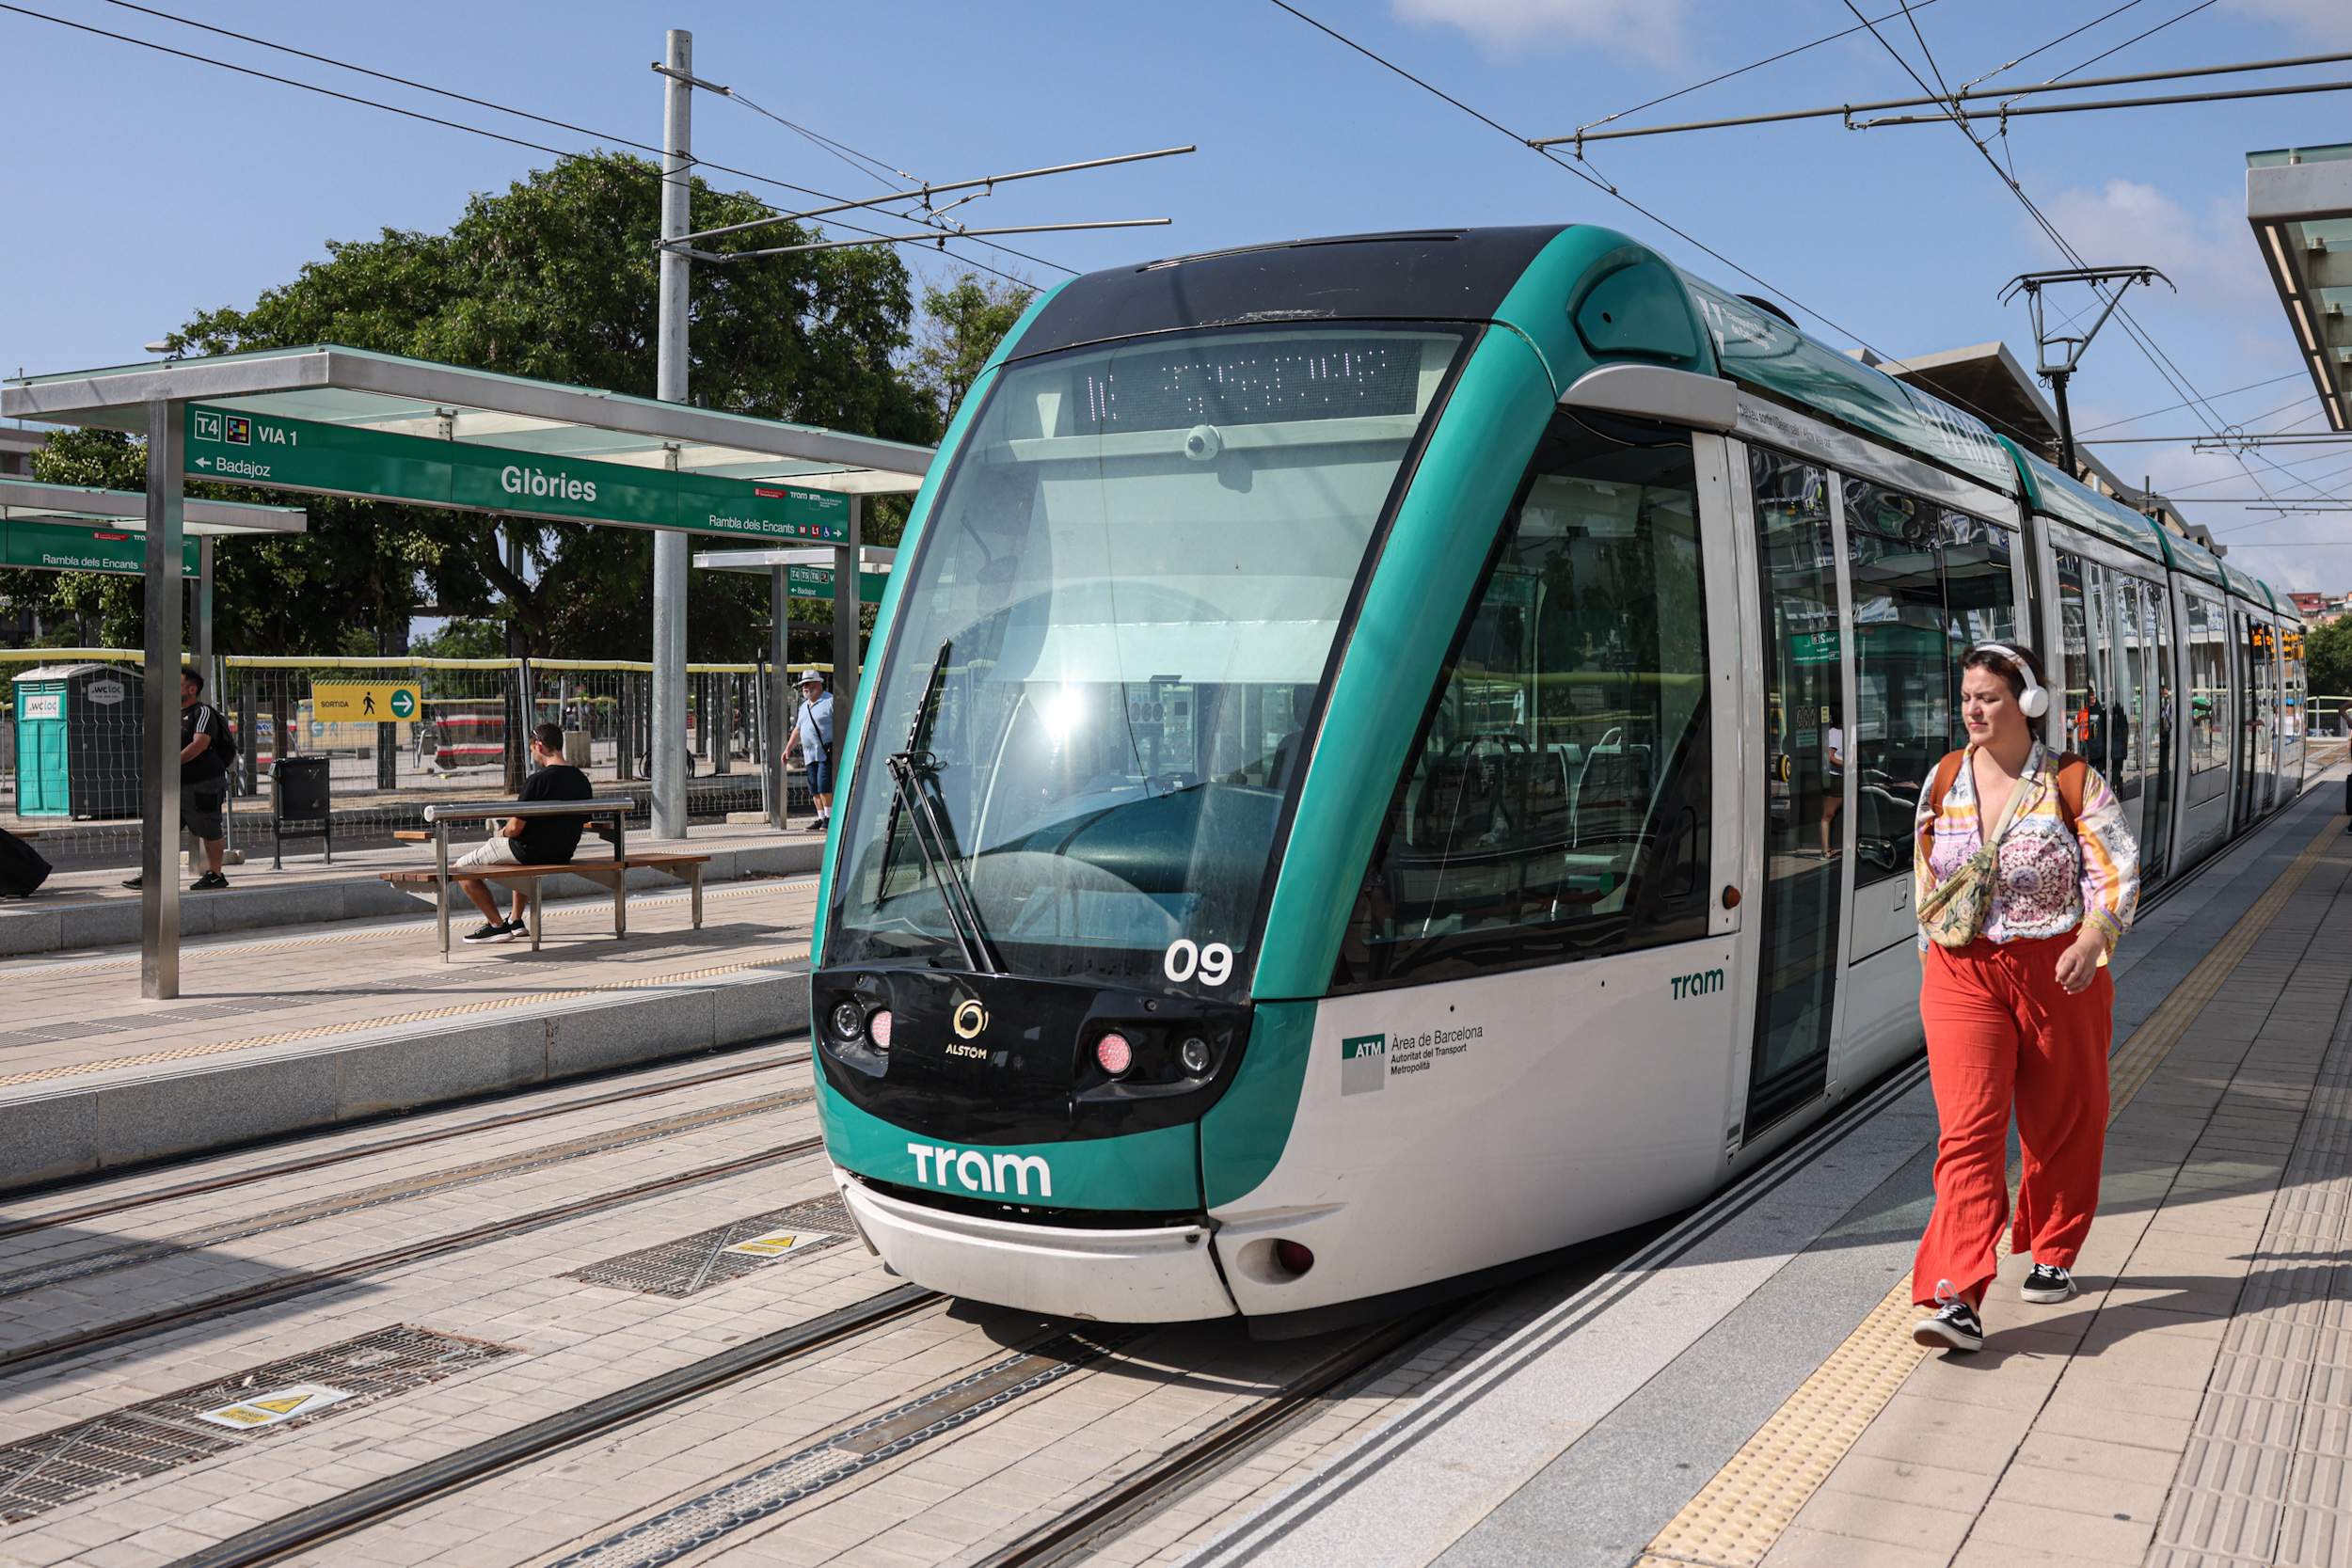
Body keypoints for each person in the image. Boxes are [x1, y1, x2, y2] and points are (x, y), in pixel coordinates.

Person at [1910, 643, 2138, 1354]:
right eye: (1968, 696)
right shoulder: (1944, 777)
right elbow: (1926, 873)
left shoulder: (2072, 780)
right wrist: (1933, 952)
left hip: (2057, 967)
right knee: (1968, 1132)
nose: (1974, 709)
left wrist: (2092, 937)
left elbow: (2117, 869)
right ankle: (1958, 1293)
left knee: (2064, 1117)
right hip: (1961, 974)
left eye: (1990, 698)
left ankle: (2052, 1249)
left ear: (2028, 702)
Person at [449, 723, 594, 944]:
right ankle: (516, 920)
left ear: (539, 746)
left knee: (462, 869)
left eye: (532, 750)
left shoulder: (537, 781)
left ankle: (497, 925)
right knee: (523, 862)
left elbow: (515, 828)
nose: (533, 754)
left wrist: (501, 832)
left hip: (527, 852)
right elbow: (584, 820)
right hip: (562, 853)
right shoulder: (581, 779)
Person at [122, 668, 235, 893]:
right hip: (175, 783)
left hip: (203, 781)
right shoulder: (171, 714)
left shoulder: (202, 712)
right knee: (162, 828)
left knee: (209, 827)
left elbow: (200, 743)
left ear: (192, 689)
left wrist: (170, 764)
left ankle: (216, 874)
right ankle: (154, 874)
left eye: (178, 684)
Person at [783, 672, 835, 832]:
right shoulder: (803, 707)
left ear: (818, 684)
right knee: (814, 787)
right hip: (809, 754)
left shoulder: (830, 701)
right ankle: (820, 818)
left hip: (825, 752)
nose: (805, 688)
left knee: (824, 785)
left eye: (808, 684)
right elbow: (798, 729)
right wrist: (788, 748)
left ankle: (829, 818)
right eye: (803, 685)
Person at [1820, 721, 1845, 860]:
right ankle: (1825, 850)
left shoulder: (1848, 730)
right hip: (1835, 778)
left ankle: (1830, 847)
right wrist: (1848, 764)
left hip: (1843, 777)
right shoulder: (1834, 732)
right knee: (1828, 814)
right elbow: (1830, 757)